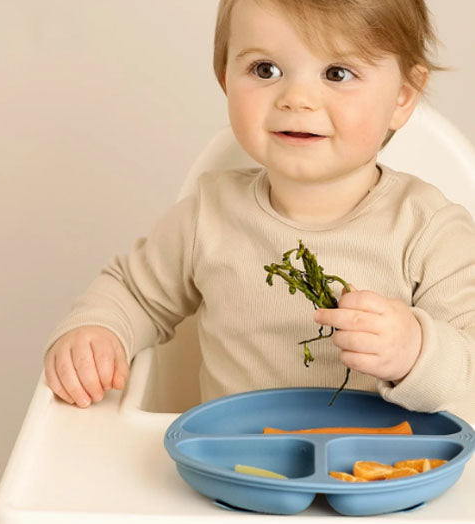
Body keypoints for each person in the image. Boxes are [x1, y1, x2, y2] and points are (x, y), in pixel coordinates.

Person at [43, 0, 475, 418]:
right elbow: (135, 293)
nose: (297, 98)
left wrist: (416, 351)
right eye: (265, 70)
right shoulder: (207, 216)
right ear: (226, 79)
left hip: (388, 476)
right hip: (231, 471)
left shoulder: (432, 232)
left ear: (402, 97)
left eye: (337, 73)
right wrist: (97, 333)